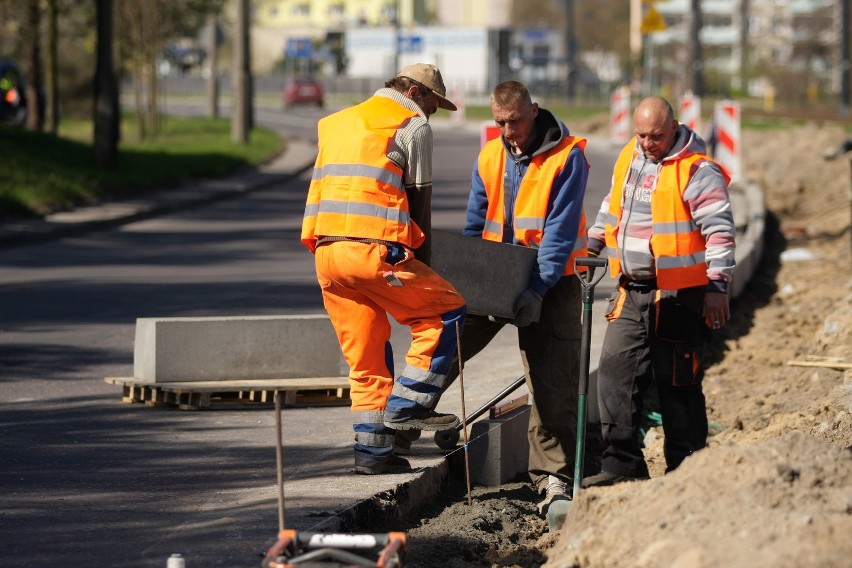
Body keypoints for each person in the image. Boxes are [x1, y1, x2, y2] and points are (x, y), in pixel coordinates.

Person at [417, 80, 597, 516]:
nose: (508, 130)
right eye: (500, 122)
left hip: (549, 285)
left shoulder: (567, 158)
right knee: (445, 344)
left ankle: (553, 477)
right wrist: (467, 279)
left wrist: (536, 289)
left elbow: (557, 235)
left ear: (534, 111)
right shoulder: (491, 154)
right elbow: (477, 221)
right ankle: (402, 424)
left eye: (515, 121)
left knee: (552, 379)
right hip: (494, 274)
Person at [301, 63, 467, 476]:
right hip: (374, 251)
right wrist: (424, 264)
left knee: (367, 356)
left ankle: (373, 455)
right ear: (413, 91)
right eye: (431, 102)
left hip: (327, 255)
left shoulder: (338, 122)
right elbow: (420, 204)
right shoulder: (411, 126)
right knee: (446, 313)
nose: (431, 113)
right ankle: (407, 408)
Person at [583, 96, 736, 487]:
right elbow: (612, 204)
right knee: (614, 376)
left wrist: (717, 288)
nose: (647, 143)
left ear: (674, 127)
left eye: (655, 135)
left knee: (678, 384)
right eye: (641, 134)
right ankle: (621, 466)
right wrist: (593, 244)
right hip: (631, 291)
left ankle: (686, 470)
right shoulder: (629, 157)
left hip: (679, 297)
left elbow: (719, 232)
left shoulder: (697, 171)